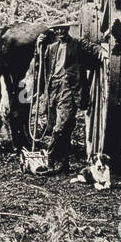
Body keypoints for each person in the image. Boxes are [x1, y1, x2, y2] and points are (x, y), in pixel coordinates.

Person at [38, 26, 82, 175]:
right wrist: (38, 46)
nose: (60, 32)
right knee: (61, 126)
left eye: (63, 29)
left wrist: (102, 53)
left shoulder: (76, 44)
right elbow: (40, 65)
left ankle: (50, 162)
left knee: (61, 127)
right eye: (57, 30)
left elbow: (92, 48)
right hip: (53, 87)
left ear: (67, 29)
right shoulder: (51, 48)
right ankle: (64, 164)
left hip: (68, 86)